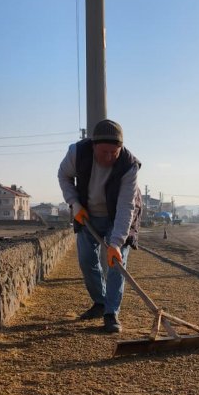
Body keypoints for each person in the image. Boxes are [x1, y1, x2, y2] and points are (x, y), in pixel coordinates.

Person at [58, 119, 142, 334]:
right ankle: (100, 302)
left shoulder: (129, 165)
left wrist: (116, 243)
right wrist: (74, 203)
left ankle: (111, 313)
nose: (109, 157)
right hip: (87, 213)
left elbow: (125, 206)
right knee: (87, 260)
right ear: (93, 145)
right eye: (104, 152)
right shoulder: (77, 153)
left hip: (118, 216)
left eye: (114, 152)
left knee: (116, 264)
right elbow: (63, 176)